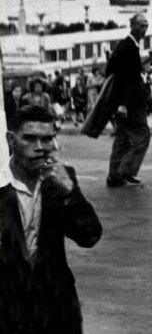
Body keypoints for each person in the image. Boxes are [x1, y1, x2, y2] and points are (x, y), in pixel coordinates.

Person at [1, 105, 102, 333]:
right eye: (29, 138)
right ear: (11, 139)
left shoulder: (60, 179)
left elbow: (90, 236)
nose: (39, 148)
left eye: (47, 140)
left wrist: (69, 190)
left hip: (56, 305)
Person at [104, 13, 151, 188]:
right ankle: (126, 170)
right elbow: (125, 77)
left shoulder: (124, 46)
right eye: (141, 26)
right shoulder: (129, 47)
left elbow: (110, 70)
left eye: (146, 25)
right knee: (142, 135)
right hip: (130, 104)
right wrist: (123, 104)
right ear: (132, 26)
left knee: (122, 138)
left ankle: (114, 176)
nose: (144, 29)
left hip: (124, 102)